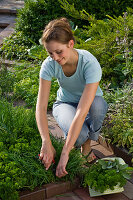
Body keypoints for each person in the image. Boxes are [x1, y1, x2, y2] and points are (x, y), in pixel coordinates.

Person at [35, 17, 108, 178]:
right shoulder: (49, 65)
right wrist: (46, 142)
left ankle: (86, 147)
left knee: (98, 106)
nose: (55, 57)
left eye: (59, 51)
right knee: (79, 134)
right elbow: (40, 108)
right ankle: (75, 140)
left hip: (90, 104)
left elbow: (82, 112)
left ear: (71, 44)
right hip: (64, 103)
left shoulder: (89, 62)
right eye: (50, 53)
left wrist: (64, 154)